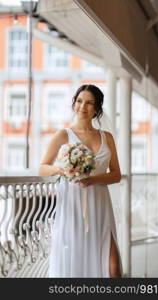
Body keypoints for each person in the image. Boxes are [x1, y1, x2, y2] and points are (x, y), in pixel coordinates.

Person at [39, 84, 124, 277]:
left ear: (97, 108)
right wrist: (61, 169)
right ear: (74, 103)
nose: (82, 107)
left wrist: (94, 179)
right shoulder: (63, 135)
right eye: (79, 101)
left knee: (114, 268)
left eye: (89, 103)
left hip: (101, 205)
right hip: (72, 205)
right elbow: (42, 166)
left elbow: (116, 174)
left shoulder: (107, 137)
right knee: (75, 263)